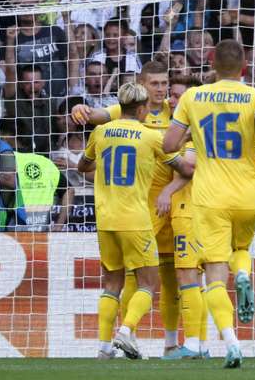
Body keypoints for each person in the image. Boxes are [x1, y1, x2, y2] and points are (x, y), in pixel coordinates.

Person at [163, 39, 255, 368]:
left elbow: (169, 143)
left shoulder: (192, 96)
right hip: (247, 192)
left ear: (212, 65)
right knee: (241, 247)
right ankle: (243, 272)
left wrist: (192, 139)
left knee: (214, 276)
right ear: (244, 66)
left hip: (210, 197)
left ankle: (231, 343)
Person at [72, 59, 187, 355]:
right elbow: (185, 168)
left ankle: (105, 347)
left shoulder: (102, 132)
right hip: (139, 216)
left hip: (110, 218)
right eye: (155, 84)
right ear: (141, 100)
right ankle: (126, 331)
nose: (161, 90)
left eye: (164, 84)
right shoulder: (154, 136)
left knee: (115, 282)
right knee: (150, 281)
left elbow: (82, 165)